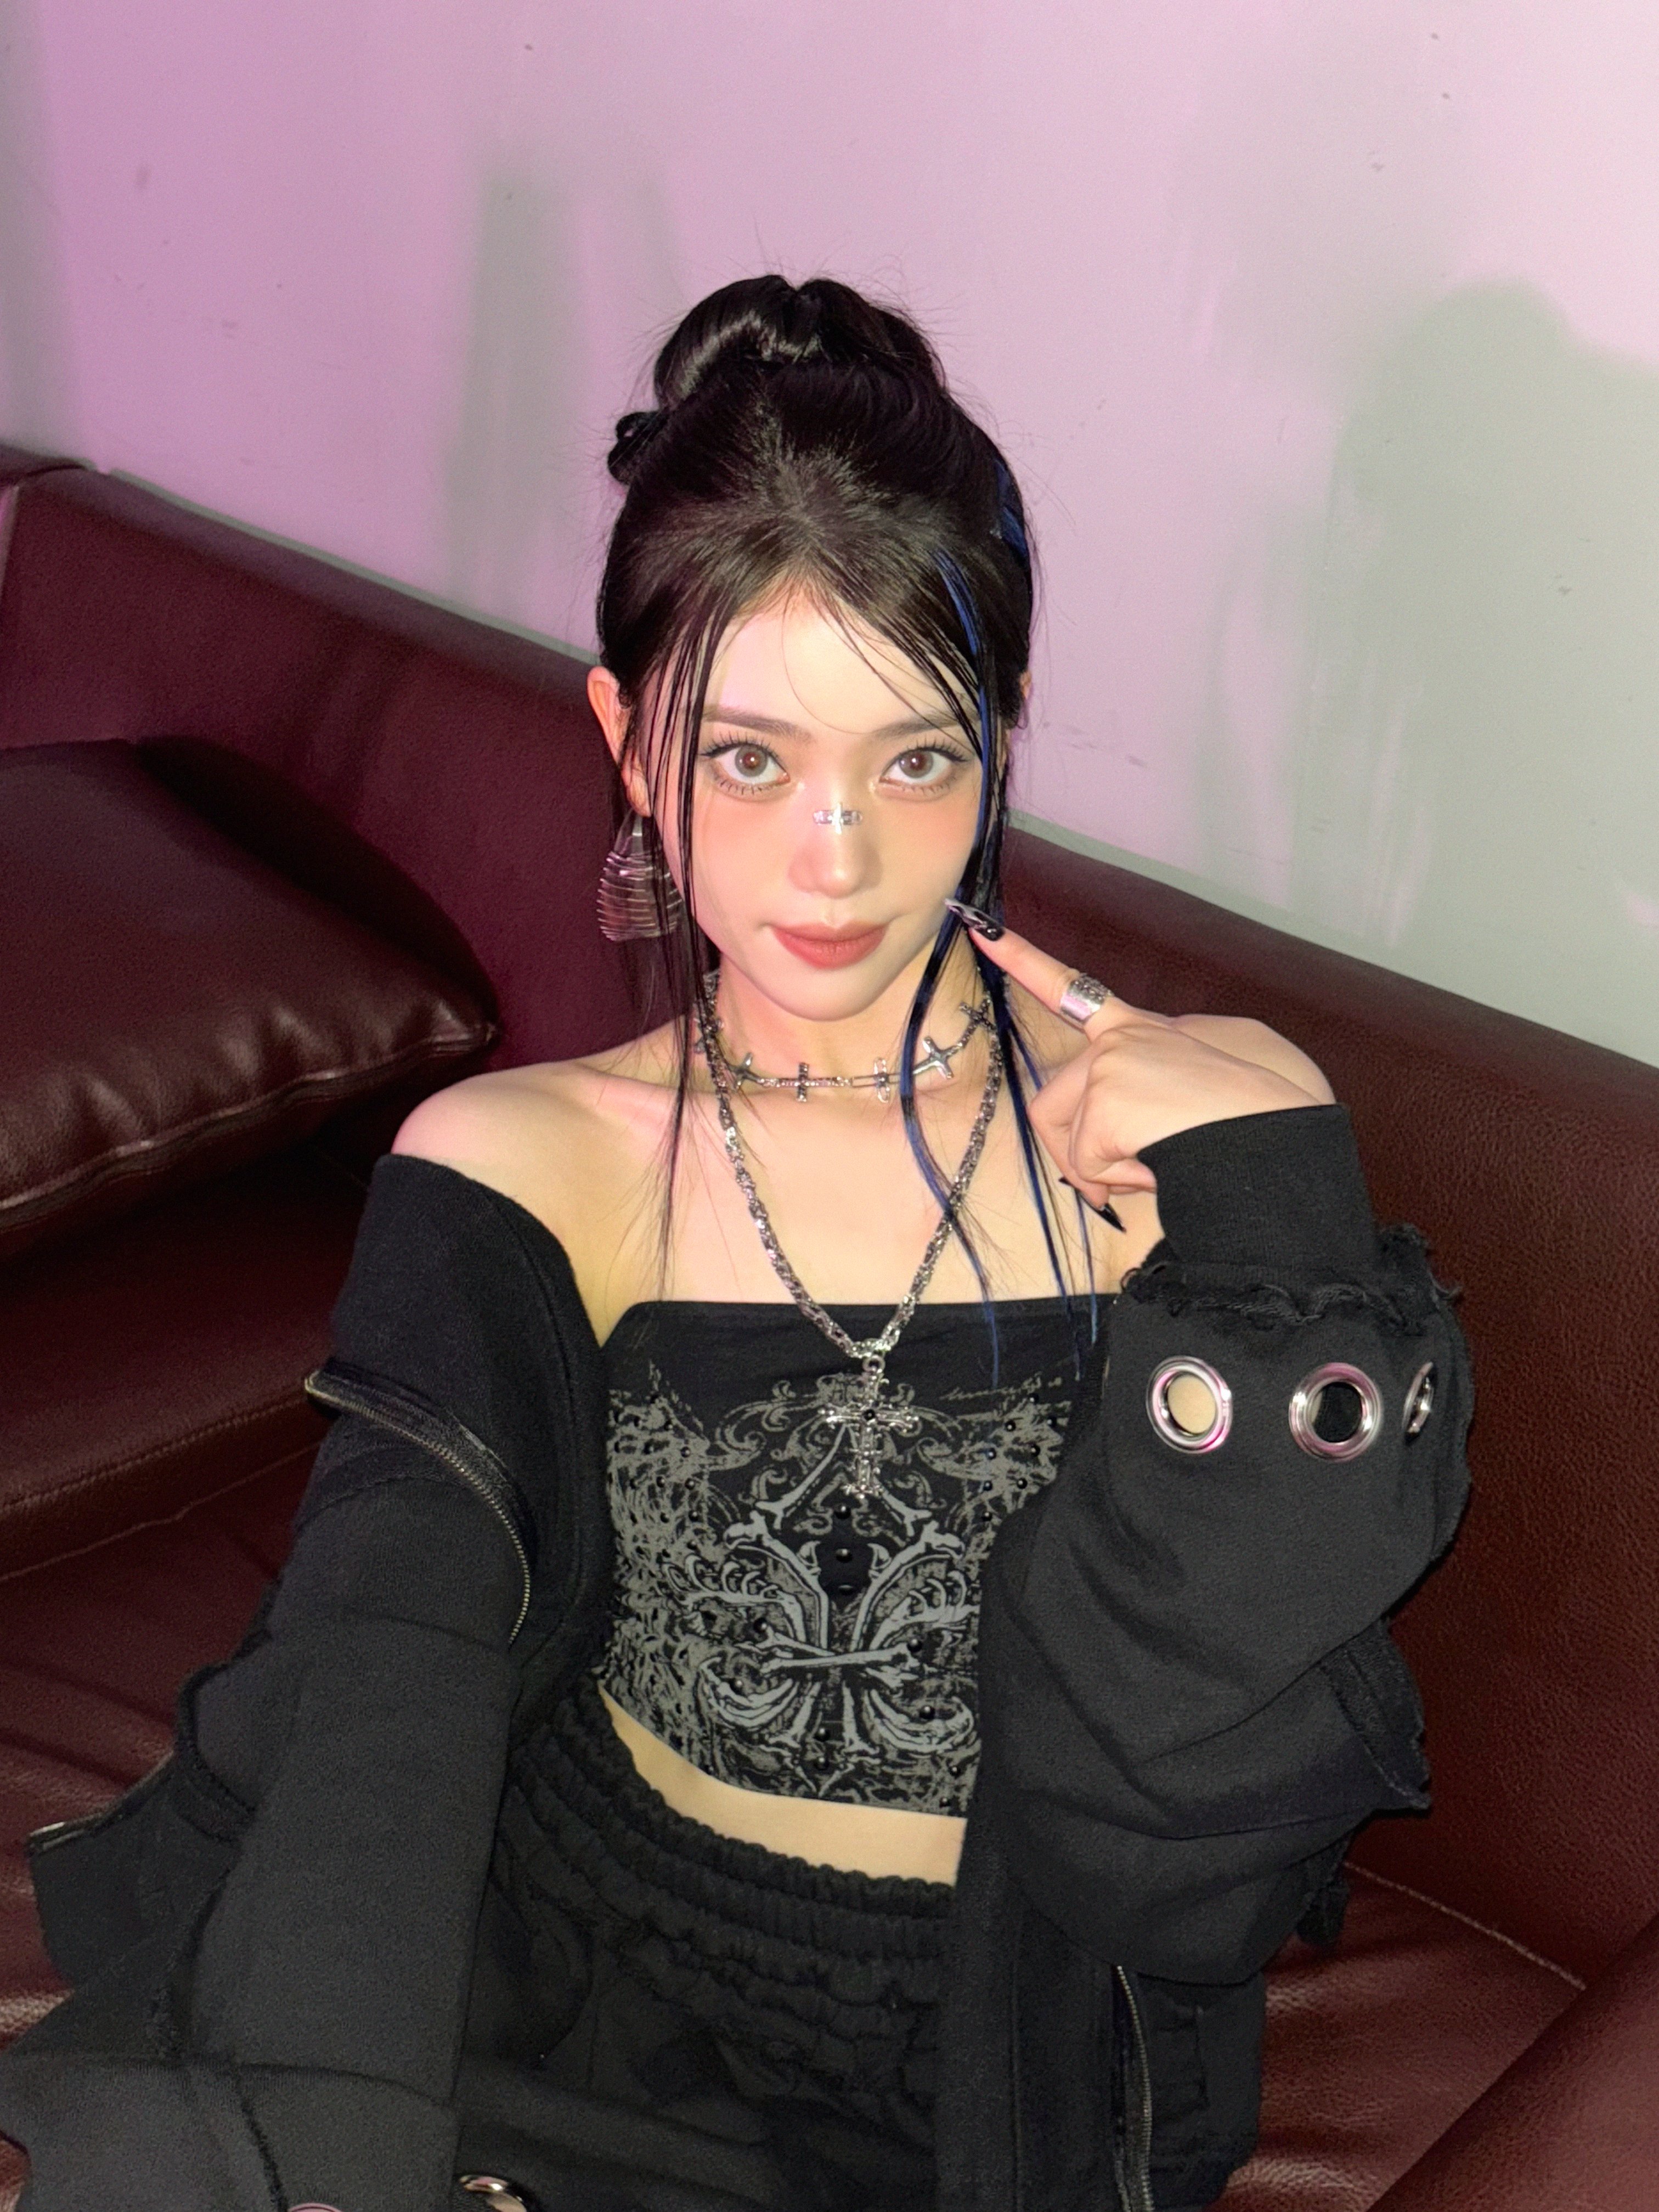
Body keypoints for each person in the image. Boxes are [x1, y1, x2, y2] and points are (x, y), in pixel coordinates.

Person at [0, 276, 1471, 2212]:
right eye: (752, 759)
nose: (834, 864)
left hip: (1014, 2035)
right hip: (585, 1987)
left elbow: (1185, 1857)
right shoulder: (530, 1159)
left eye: (915, 759)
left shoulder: (1210, 1129)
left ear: (1003, 737)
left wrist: (1259, 1222)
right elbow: (388, 1667)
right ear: (628, 742)